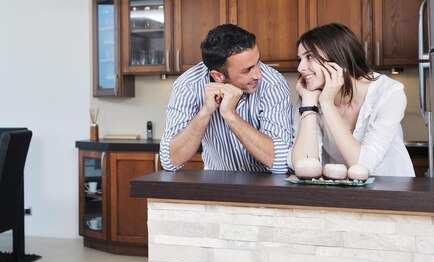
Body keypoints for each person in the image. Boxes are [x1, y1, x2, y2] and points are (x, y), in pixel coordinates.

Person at [160, 24, 292, 173]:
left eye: (258, 62)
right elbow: (170, 161)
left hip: (268, 186)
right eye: (247, 70)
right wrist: (205, 112)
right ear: (218, 76)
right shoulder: (188, 86)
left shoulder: (273, 84)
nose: (259, 75)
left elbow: (281, 162)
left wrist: (230, 115)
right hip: (218, 184)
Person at [290, 23, 415, 177]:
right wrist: (309, 104)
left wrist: (327, 104)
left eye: (309, 56)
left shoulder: (389, 93)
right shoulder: (309, 95)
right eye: (299, 59)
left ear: (337, 57)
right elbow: (303, 166)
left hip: (394, 191)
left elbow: (363, 166)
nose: (300, 68)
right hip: (346, 196)